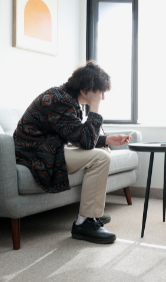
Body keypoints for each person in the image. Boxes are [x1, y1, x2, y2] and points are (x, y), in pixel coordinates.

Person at [13, 61, 131, 244]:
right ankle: (83, 224)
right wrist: (95, 107)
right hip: (36, 155)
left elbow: (75, 136)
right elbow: (84, 141)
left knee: (103, 150)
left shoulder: (67, 98)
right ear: (86, 89)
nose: (102, 98)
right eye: (100, 92)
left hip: (51, 147)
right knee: (99, 158)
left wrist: (106, 140)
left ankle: (91, 214)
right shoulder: (57, 99)